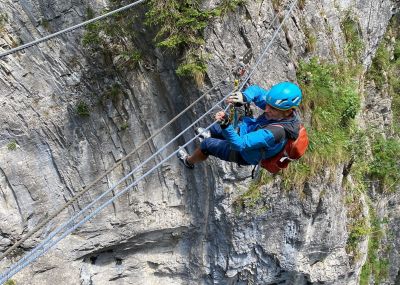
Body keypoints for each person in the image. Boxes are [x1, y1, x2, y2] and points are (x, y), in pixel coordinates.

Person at [177, 82, 303, 169]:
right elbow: (257, 91)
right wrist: (245, 96)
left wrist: (226, 125)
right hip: (247, 133)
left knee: (207, 144)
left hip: (244, 153)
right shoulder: (279, 109)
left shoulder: (275, 133)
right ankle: (211, 134)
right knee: (215, 129)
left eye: (272, 109)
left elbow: (239, 144)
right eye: (268, 105)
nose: (266, 109)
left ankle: (188, 161)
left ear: (288, 110)